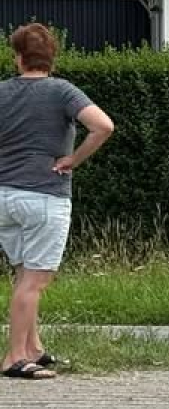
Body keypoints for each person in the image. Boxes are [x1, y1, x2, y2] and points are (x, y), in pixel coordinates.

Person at [0, 24, 113, 380]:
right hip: (44, 196)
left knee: (23, 276)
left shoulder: (2, 92)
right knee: (35, 282)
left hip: (4, 197)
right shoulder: (62, 91)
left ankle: (33, 348)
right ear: (51, 57)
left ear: (18, 57)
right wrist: (73, 160)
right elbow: (103, 126)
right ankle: (15, 356)